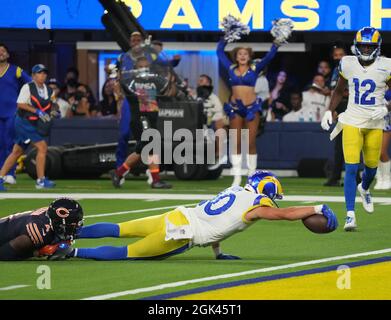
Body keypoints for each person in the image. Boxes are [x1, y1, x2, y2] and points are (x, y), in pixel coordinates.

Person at [60, 171, 337, 261]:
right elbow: (285, 215)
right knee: (126, 252)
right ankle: (68, 252)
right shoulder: (257, 204)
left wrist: (218, 252)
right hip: (183, 234)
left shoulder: (236, 190)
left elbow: (218, 219)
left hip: (178, 215)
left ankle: (68, 230)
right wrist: (316, 209)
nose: (272, 204)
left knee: (120, 228)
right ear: (266, 192)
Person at [321, 27, 391, 231]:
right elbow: (338, 90)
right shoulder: (347, 62)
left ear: (377, 47)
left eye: (370, 46)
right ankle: (350, 215)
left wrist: (385, 107)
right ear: (356, 45)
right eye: (363, 46)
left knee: (371, 168)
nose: (366, 49)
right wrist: (329, 111)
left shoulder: (386, 65)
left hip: (375, 123)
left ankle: (365, 188)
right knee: (351, 168)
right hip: (351, 120)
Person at [217, 37, 280, 186]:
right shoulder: (231, 68)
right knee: (236, 142)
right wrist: (225, 38)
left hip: (252, 108)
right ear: (236, 56)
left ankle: (252, 176)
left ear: (249, 56)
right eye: (240, 54)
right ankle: (237, 176)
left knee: (251, 142)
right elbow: (219, 52)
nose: (243, 56)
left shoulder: (255, 68)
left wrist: (276, 44)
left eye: (245, 53)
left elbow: (269, 57)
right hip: (235, 108)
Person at [111, 56, 172, 189]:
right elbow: (120, 88)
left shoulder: (155, 81)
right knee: (151, 147)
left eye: (146, 67)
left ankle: (118, 173)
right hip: (140, 118)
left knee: (140, 150)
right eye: (141, 67)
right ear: (135, 69)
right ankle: (155, 180)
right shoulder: (131, 82)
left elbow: (166, 91)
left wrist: (169, 77)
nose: (144, 70)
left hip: (152, 118)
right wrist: (119, 76)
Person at [0, 64, 57, 191]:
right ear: (33, 75)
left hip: (34, 124)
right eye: (39, 73)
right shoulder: (28, 87)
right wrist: (38, 112)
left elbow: (53, 104)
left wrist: (54, 112)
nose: (42, 75)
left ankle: (0, 177)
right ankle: (41, 180)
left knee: (17, 152)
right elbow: (20, 104)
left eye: (44, 73)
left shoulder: (48, 89)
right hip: (23, 122)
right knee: (42, 147)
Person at [0, 198, 83, 260]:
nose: (77, 227)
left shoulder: (50, 216)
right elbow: (4, 253)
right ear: (60, 224)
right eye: (73, 224)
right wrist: (38, 252)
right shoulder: (39, 232)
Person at [0, 43, 31, 185]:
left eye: (3, 51)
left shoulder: (16, 70)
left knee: (9, 144)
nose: (1, 53)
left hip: (11, 113)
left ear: (8, 54)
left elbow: (31, 84)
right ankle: (2, 174)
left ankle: (10, 174)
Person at [323, 45, 349, 187]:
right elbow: (335, 91)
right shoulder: (335, 70)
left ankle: (355, 178)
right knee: (339, 146)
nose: (338, 57)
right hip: (339, 108)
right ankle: (336, 177)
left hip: (350, 108)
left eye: (341, 54)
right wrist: (332, 109)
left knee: (351, 144)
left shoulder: (351, 68)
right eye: (336, 55)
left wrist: (340, 93)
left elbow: (348, 92)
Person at [196, 74, 226, 166]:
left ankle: (217, 156)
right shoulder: (196, 97)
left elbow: (219, 113)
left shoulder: (213, 97)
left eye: (202, 80)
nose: (199, 81)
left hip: (210, 124)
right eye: (199, 80)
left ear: (208, 83)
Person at [374, 91, 391, 190]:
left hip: (386, 123)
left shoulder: (388, 92)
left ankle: (387, 178)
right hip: (372, 123)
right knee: (374, 153)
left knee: (382, 152)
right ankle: (379, 178)